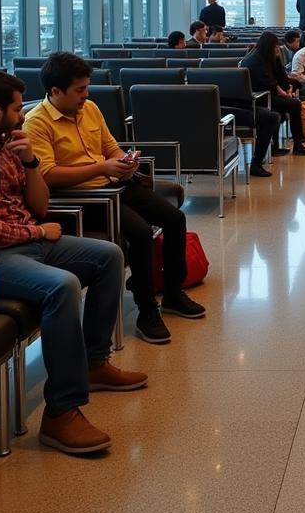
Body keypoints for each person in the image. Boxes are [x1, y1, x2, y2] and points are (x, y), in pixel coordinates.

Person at [0, 70, 148, 456]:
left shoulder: (7, 148)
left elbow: (38, 206)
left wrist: (29, 163)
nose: (22, 115)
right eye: (15, 109)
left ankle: (94, 362)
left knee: (109, 255)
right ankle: (61, 411)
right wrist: (38, 234)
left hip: (23, 244)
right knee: (62, 286)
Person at [24, 52, 206, 346]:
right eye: (79, 90)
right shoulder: (36, 123)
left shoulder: (91, 109)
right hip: (82, 198)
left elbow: (110, 147)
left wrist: (124, 161)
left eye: (87, 88)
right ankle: (147, 311)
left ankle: (173, 293)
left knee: (175, 218)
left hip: (112, 183)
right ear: (55, 91)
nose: (86, 95)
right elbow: (46, 175)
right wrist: (101, 167)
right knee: (140, 233)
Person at [241, 32, 305, 156]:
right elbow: (267, 82)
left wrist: (288, 87)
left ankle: (281, 144)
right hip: (261, 97)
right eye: (275, 46)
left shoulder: (269, 56)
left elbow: (281, 75)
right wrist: (283, 92)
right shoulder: (254, 60)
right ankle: (297, 143)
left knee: (295, 86)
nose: (277, 49)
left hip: (271, 93)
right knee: (295, 104)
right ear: (269, 46)